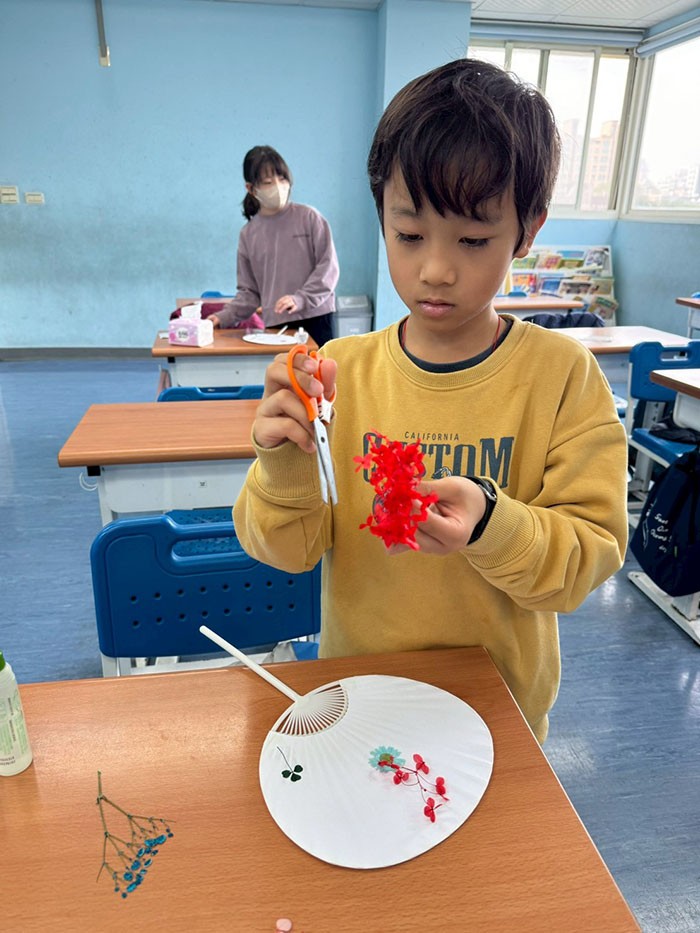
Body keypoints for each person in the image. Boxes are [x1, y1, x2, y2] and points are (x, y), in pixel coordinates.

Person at [232, 60, 628, 743]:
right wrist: (283, 460)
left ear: (527, 230)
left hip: (501, 716)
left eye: (473, 240)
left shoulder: (563, 377)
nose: (436, 269)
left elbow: (585, 559)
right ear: (382, 216)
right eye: (409, 235)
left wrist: (490, 524)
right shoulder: (340, 373)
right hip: (359, 704)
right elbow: (284, 551)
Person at [209, 145, 339, 347]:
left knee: (320, 367)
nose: (278, 186)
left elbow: (328, 269)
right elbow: (249, 293)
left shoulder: (310, 218)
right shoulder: (248, 234)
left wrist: (300, 299)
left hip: (317, 317)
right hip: (277, 323)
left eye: (282, 179)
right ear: (251, 189)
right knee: (283, 369)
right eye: (268, 182)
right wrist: (222, 317)